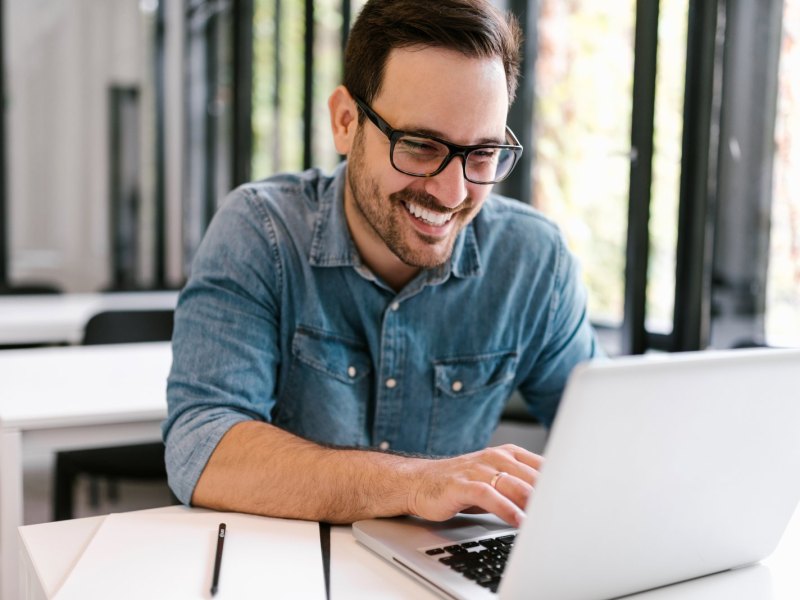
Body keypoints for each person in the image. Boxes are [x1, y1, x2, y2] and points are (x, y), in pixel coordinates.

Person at [164, 0, 601, 528]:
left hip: (435, 573)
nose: (453, 191)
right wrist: (415, 483)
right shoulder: (260, 231)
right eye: (420, 146)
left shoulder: (534, 261)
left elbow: (606, 438)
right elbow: (201, 447)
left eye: (482, 154)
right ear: (346, 123)